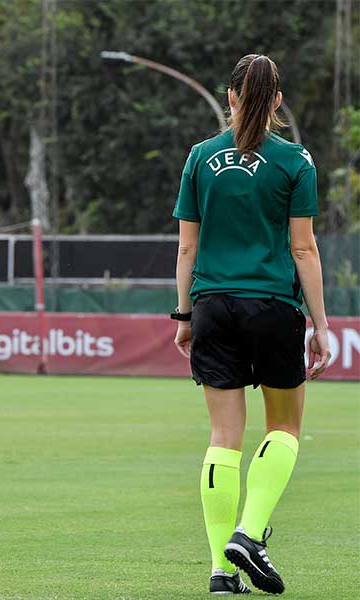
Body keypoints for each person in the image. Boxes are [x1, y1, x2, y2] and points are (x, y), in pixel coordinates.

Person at [172, 54, 331, 595]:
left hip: (213, 304)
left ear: (230, 97)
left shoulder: (199, 156)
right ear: (278, 100)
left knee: (223, 437)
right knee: (283, 428)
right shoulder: (296, 161)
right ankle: (248, 533)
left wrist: (186, 315)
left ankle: (221, 568)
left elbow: (187, 246)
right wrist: (322, 325)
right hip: (272, 306)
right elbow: (303, 249)